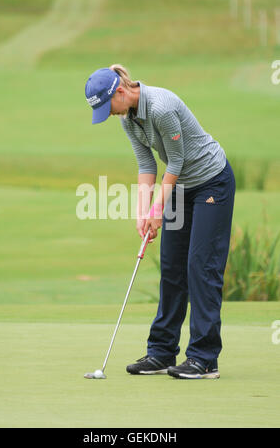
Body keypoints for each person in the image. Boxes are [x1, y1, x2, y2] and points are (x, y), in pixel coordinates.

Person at [85, 65, 236, 379]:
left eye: (106, 106)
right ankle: (162, 352)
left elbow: (177, 161)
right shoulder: (129, 119)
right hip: (180, 187)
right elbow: (146, 163)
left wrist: (158, 208)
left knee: (201, 266)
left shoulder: (162, 107)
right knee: (171, 266)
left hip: (211, 183)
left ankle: (205, 359)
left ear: (121, 92)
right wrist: (144, 212)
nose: (109, 114)